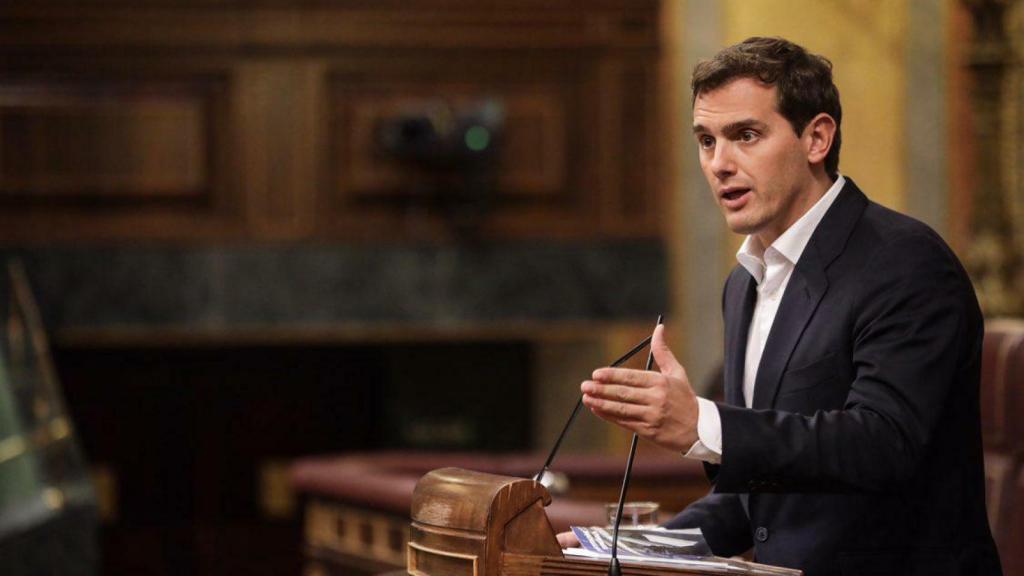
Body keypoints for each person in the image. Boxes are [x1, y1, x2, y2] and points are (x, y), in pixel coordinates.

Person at [559, 37, 1002, 576]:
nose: (719, 164)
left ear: (816, 137)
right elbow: (757, 502)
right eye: (705, 140)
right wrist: (607, 550)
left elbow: (882, 444)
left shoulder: (905, 262)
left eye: (745, 136)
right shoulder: (743, 284)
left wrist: (703, 421)